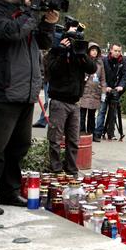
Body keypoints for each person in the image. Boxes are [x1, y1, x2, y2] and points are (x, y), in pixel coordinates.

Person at [0, 0, 58, 215]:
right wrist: (31, 11)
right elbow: (13, 31)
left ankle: (8, 191)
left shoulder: (25, 15)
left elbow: (43, 44)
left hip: (25, 91)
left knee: (19, 146)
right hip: (2, 91)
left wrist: (47, 22)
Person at [47, 27, 97, 175]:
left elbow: (92, 68)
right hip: (58, 100)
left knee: (74, 140)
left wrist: (82, 54)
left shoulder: (79, 54)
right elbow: (52, 70)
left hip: (74, 103)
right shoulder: (56, 51)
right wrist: (62, 53)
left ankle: (71, 169)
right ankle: (56, 169)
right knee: (55, 139)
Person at [93, 43, 126, 142]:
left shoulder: (124, 61)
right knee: (102, 111)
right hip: (105, 89)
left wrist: (121, 86)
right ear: (111, 50)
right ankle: (97, 133)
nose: (117, 53)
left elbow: (125, 76)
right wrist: (105, 87)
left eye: (119, 51)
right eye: (115, 50)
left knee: (114, 113)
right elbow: (100, 75)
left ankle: (110, 132)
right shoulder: (104, 60)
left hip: (116, 91)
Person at [79, 42, 106, 134]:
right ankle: (81, 132)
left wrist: (103, 92)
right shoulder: (84, 60)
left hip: (95, 92)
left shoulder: (100, 63)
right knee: (82, 113)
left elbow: (103, 78)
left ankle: (91, 133)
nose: (94, 52)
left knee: (92, 115)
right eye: (92, 50)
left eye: (96, 50)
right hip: (85, 91)